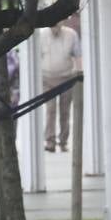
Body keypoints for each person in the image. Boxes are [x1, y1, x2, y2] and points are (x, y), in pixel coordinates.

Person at [39, 21, 80, 152]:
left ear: (62, 23)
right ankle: (50, 141)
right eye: (52, 25)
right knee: (50, 110)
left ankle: (63, 141)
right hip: (47, 77)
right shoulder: (41, 35)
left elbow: (78, 55)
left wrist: (79, 73)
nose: (54, 27)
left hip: (66, 77)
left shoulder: (71, 34)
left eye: (57, 24)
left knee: (65, 110)